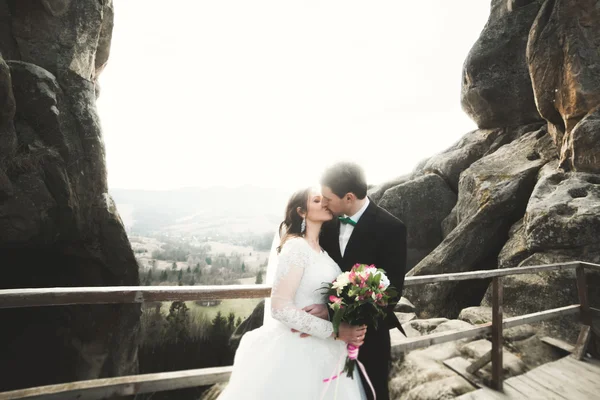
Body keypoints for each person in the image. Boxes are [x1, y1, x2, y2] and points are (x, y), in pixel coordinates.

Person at [218, 188, 368, 400]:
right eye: (317, 200)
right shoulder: (296, 247)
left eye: (325, 199)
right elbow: (279, 308)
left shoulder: (323, 253)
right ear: (301, 212)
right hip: (296, 349)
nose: (324, 203)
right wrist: (334, 331)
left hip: (329, 351)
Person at [301, 161, 407, 400]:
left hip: (368, 335)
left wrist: (332, 312)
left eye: (328, 198)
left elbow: (392, 291)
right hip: (326, 338)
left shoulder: (391, 228)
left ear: (348, 197)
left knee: (372, 394)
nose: (324, 202)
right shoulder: (325, 224)